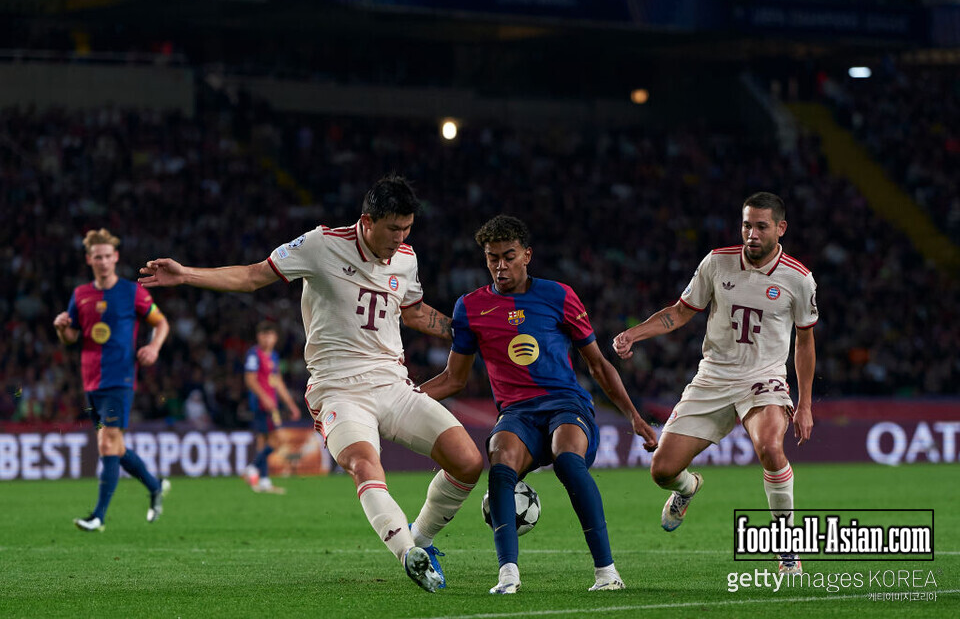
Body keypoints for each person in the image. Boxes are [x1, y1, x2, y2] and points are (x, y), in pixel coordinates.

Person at [139, 175, 483, 593]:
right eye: (393, 228)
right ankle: (407, 552)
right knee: (363, 464)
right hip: (338, 389)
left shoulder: (406, 259)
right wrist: (186, 275)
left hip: (393, 385)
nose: (400, 238)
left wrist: (463, 333)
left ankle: (422, 541)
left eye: (407, 229)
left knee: (467, 461)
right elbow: (251, 277)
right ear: (367, 220)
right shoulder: (320, 245)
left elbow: (412, 312)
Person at [419, 215, 659, 594]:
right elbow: (454, 378)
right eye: (492, 257)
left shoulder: (559, 295)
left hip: (567, 404)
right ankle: (508, 575)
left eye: (509, 256)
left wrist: (634, 417)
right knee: (499, 462)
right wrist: (403, 399)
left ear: (527, 255)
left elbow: (597, 364)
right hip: (517, 414)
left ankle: (607, 573)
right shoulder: (471, 308)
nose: (500, 265)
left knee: (567, 458)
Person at [613, 192, 817, 574]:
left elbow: (805, 341)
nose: (752, 234)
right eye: (746, 225)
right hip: (713, 379)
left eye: (761, 226)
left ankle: (786, 548)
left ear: (780, 228)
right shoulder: (717, 262)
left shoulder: (799, 279)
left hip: (764, 379)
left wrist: (804, 403)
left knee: (771, 447)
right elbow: (680, 312)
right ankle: (687, 488)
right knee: (661, 470)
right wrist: (634, 335)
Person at [54, 228, 172, 532]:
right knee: (114, 446)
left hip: (120, 378)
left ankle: (98, 516)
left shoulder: (133, 292)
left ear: (115, 257)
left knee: (107, 442)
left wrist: (153, 347)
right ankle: (155, 486)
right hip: (91, 379)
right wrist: (61, 328)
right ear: (89, 259)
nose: (103, 261)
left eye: (108, 256)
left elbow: (161, 324)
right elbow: (71, 337)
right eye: (98, 257)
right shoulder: (80, 295)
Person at [242, 321, 302, 494]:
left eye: (270, 335)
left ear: (275, 338)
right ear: (258, 336)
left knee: (264, 441)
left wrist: (291, 405)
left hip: (271, 403)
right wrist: (264, 397)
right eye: (263, 335)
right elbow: (250, 379)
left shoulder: (273, 356)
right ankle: (253, 468)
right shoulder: (254, 354)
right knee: (277, 439)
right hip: (261, 403)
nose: (267, 338)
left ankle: (263, 480)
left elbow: (278, 383)